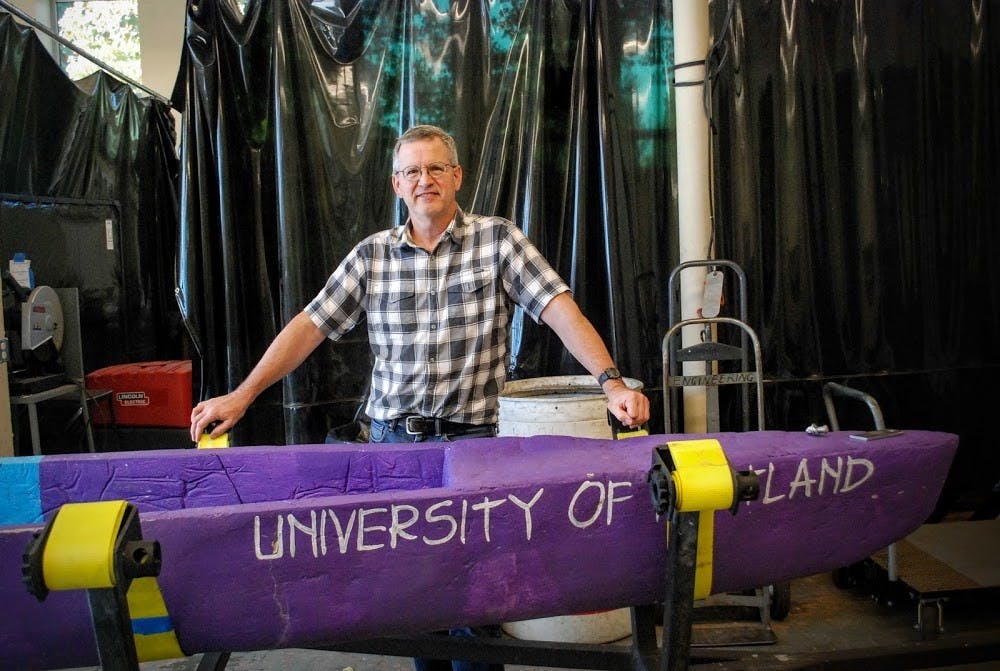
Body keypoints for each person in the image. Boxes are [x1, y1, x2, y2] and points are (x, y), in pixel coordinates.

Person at [189, 124, 650, 671]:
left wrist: (611, 382)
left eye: (435, 168)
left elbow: (560, 311)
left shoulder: (499, 241)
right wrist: (241, 396)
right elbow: (308, 327)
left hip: (475, 448)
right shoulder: (371, 257)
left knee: (478, 599)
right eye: (412, 171)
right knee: (414, 596)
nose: (424, 180)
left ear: (457, 177)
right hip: (393, 453)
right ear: (396, 184)